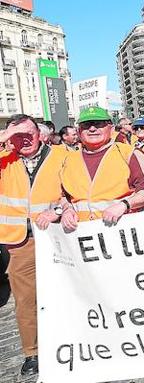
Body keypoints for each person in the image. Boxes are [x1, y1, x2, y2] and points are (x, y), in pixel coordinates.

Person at [0, 114, 68, 376]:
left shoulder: (61, 155)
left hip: (56, 234)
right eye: (18, 136)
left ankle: (70, 338)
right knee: (26, 299)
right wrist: (6, 138)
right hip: (19, 241)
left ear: (40, 133)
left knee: (64, 290)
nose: (25, 139)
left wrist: (60, 211)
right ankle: (33, 352)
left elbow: (72, 193)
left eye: (30, 133)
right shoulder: (5, 160)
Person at [59, 107, 144, 229]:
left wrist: (124, 205)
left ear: (111, 129)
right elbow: (64, 196)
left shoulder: (128, 153)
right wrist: (67, 209)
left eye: (98, 124)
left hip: (123, 229)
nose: (92, 129)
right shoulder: (69, 160)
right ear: (79, 131)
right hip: (85, 234)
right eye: (86, 125)